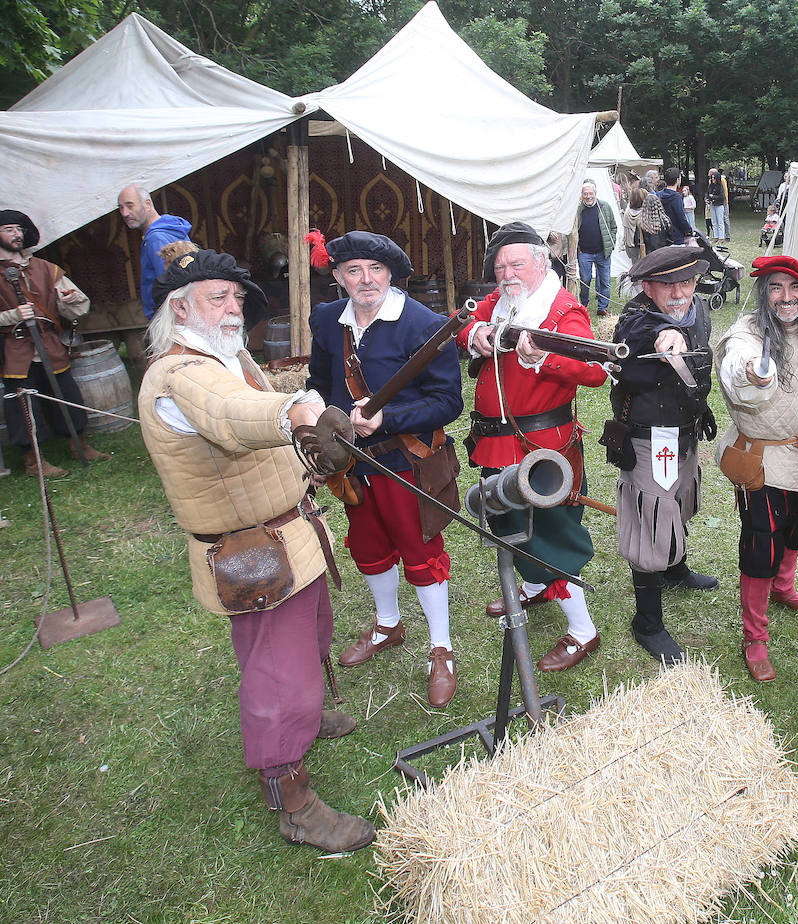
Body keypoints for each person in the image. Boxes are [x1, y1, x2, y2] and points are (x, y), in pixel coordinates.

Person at [138, 248, 374, 852]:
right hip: (251, 550)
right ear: (180, 307)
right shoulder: (183, 375)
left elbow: (249, 414)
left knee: (313, 631)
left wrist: (317, 424)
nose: (233, 305)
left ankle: (310, 714)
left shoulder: (229, 357)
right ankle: (292, 797)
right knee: (278, 674)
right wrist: (293, 409)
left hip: (285, 531)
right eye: (218, 296)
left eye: (237, 296)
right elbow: (231, 415)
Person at [306, 231, 466, 708]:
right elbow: (320, 383)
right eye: (353, 270)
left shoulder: (423, 324)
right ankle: (388, 625)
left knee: (421, 552)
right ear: (337, 277)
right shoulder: (325, 321)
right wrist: (322, 433)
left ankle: (442, 649)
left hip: (407, 461)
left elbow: (448, 402)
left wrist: (387, 418)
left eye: (375, 270)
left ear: (391, 275)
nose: (366, 280)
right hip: (353, 464)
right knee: (370, 547)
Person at [460, 222, 609, 671]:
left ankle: (583, 630)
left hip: (542, 447)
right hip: (496, 442)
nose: (507, 273)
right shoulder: (500, 302)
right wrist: (474, 336)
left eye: (517, 263)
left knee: (552, 535)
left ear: (541, 262)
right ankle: (532, 586)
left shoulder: (564, 311)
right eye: (501, 265)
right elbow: (464, 321)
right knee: (506, 518)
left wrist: (544, 358)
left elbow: (596, 369)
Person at [714, 256, 798, 682]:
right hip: (763, 460)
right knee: (761, 545)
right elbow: (738, 374)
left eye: (794, 288)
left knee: (797, 529)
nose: (786, 298)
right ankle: (755, 635)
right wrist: (754, 373)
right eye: (776, 288)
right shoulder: (744, 336)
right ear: (764, 293)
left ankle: (784, 589)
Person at [607, 243, 720, 664]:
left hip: (684, 432)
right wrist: (665, 335)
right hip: (652, 440)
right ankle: (647, 623)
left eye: (686, 282)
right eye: (667, 285)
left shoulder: (700, 312)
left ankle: (675, 570)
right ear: (648, 287)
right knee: (652, 516)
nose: (679, 293)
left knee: (678, 501)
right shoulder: (634, 321)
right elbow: (638, 336)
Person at [0, 209, 109, 478]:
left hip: (48, 344)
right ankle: (33, 461)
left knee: (67, 395)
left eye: (19, 229)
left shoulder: (45, 269)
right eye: (9, 229)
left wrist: (69, 301)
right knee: (25, 406)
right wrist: (13, 315)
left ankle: (79, 445)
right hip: (16, 349)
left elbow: (78, 305)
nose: (17, 234)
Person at [116, 185, 193, 320]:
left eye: (130, 206)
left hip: (169, 318)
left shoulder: (156, 238)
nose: (124, 213)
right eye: (120, 208)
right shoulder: (171, 228)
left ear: (147, 204)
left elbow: (170, 285)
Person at [569, 181, 616, 316]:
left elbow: (613, 226)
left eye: (591, 193)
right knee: (585, 280)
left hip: (603, 252)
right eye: (585, 194)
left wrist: (611, 243)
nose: (588, 196)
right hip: (585, 253)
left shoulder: (604, 207)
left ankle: (602, 308)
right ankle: (583, 304)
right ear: (581, 195)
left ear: (595, 193)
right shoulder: (577, 210)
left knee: (605, 282)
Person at [657, 167, 693, 246]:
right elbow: (681, 218)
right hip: (676, 238)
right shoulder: (676, 197)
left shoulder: (658, 195)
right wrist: (689, 230)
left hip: (661, 237)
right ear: (677, 180)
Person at [705, 169, 728, 242]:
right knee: (714, 222)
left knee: (720, 222)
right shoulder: (710, 186)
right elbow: (707, 194)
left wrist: (713, 196)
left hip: (719, 205)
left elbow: (722, 196)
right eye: (712, 178)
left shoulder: (720, 186)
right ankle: (716, 236)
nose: (712, 179)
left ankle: (721, 237)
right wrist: (706, 199)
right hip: (712, 205)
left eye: (714, 178)